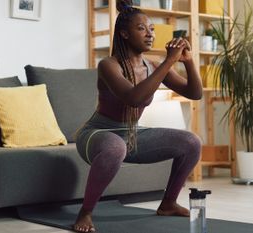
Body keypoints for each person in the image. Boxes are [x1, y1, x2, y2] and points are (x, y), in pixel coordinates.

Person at [73, 0, 203, 232]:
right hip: (98, 133)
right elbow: (133, 97)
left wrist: (189, 62)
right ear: (124, 33)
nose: (150, 34)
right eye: (141, 28)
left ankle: (169, 203)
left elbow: (195, 93)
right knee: (115, 148)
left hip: (132, 134)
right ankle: (85, 212)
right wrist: (169, 61)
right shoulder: (108, 65)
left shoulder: (152, 66)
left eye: (152, 29)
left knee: (191, 142)